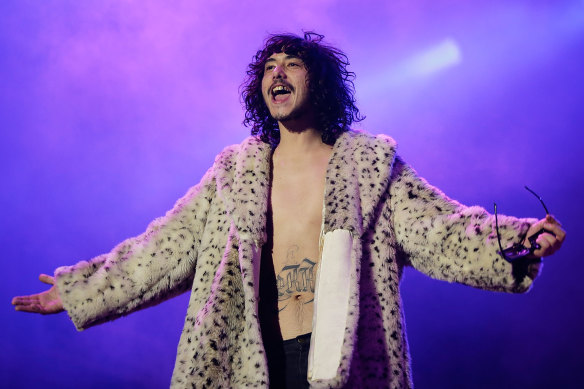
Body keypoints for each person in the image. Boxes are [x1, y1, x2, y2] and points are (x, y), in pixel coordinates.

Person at [12, 32, 565, 388]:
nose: (277, 73)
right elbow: (166, 247)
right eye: (269, 66)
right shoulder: (233, 173)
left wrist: (514, 240)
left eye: (292, 63)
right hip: (246, 360)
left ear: (317, 82)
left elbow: (442, 229)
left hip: (342, 362)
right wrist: (82, 289)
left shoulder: (370, 167)